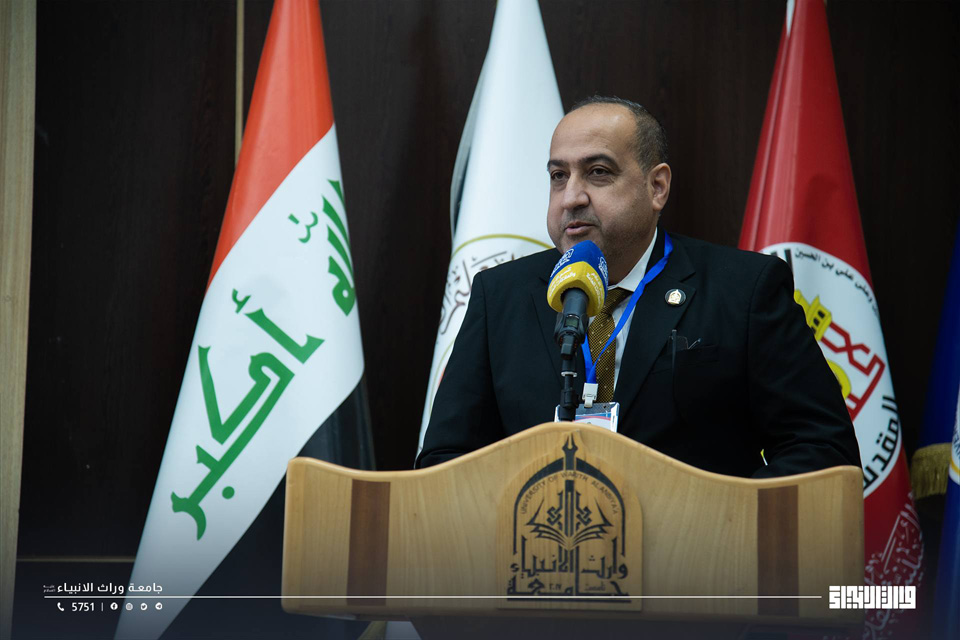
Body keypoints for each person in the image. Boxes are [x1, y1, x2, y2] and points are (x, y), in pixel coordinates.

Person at [416, 96, 861, 478]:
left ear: (657, 187)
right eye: (558, 176)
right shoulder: (500, 296)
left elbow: (821, 448)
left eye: (598, 172)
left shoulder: (744, 290)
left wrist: (719, 521)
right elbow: (445, 460)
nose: (571, 197)